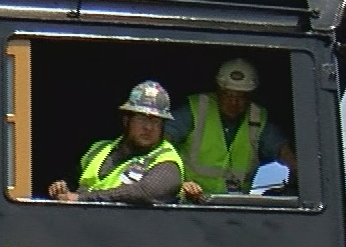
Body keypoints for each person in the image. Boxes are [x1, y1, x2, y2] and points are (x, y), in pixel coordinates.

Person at [168, 57, 296, 199]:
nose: (233, 102)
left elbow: (284, 154)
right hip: (191, 206)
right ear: (218, 90)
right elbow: (162, 144)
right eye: (228, 94)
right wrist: (177, 183)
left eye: (241, 96)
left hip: (236, 209)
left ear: (251, 96)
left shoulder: (258, 118)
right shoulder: (195, 110)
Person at [45, 80, 184, 205]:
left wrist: (81, 199)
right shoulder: (99, 148)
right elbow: (72, 180)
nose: (148, 127)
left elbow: (146, 192)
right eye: (142, 118)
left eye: (156, 121)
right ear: (126, 121)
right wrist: (61, 187)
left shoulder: (166, 159)